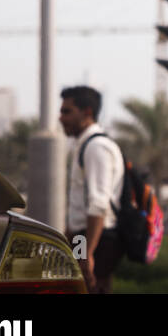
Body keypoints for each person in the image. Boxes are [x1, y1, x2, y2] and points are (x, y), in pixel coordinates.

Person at [59, 86, 124, 294]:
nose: (60, 118)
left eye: (67, 111)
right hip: (85, 236)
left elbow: (98, 204)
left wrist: (87, 253)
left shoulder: (97, 147)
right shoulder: (84, 145)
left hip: (98, 238)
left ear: (87, 112)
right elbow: (79, 206)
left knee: (91, 288)